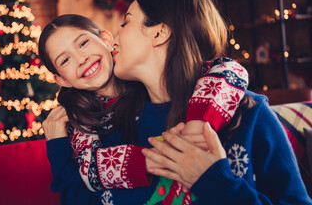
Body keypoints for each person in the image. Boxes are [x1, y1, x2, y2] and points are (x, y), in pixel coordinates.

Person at [110, 0, 312, 204]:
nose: (114, 38)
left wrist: (215, 181)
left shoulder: (249, 114)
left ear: (159, 33)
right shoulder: (116, 121)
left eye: (125, 21)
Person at [39, 14, 248, 204]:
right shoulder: (79, 119)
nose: (81, 58)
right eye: (65, 60)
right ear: (61, 79)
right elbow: (90, 170)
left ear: (105, 38)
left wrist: (197, 126)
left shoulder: (152, 84)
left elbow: (227, 69)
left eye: (83, 43)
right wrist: (158, 157)